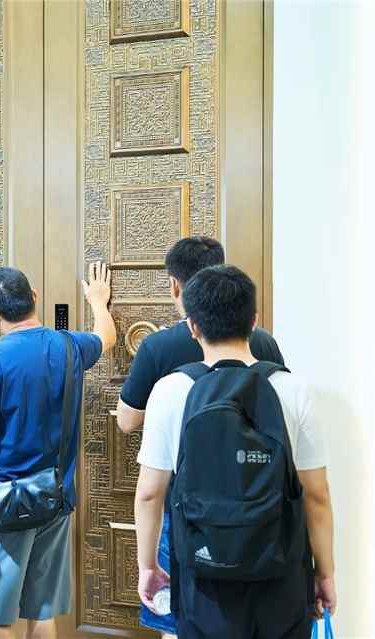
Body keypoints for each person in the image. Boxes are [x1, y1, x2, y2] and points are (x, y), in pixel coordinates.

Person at [134, 265, 336, 639]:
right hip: (280, 574)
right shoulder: (294, 390)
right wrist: (325, 573)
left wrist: (148, 566)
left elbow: (149, 493)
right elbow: (317, 495)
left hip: (203, 573)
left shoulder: (170, 390)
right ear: (254, 321)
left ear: (193, 326)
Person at [115, 236, 285, 638]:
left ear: (175, 285)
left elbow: (127, 421)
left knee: (183, 623)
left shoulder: (159, 346)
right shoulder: (263, 341)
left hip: (186, 508)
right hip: (258, 505)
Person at [0, 263, 117, 639]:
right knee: (41, 610)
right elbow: (106, 337)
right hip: (55, 496)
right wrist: (98, 301)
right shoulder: (69, 345)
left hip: (6, 502)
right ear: (34, 297)